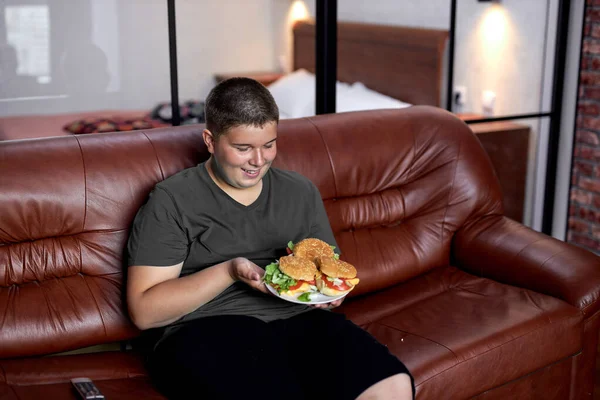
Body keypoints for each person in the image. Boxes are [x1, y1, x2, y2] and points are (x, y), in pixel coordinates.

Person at [126, 77, 415, 400]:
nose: (259, 161)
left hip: (298, 319)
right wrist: (229, 271)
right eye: (243, 148)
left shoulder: (299, 191)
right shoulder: (173, 200)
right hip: (205, 328)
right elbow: (144, 311)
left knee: (393, 386)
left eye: (268, 145)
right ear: (210, 141)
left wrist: (330, 292)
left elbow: (327, 271)